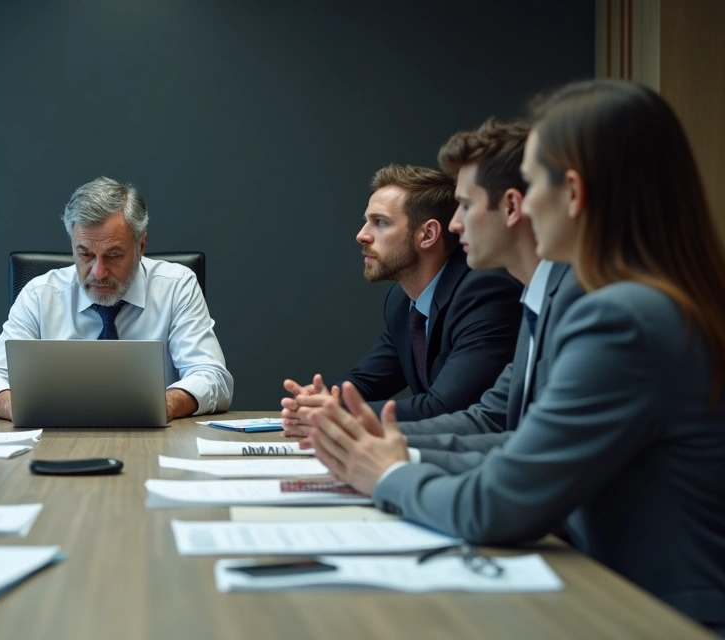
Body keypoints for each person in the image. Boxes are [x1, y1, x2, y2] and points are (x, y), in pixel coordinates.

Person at [302, 80, 725, 632]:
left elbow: (498, 503)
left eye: (533, 178)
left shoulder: (621, 318)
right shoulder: (624, 301)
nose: (520, 204)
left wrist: (388, 474)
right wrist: (387, 449)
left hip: (652, 615)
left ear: (570, 192)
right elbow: (513, 439)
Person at [285, 120, 583, 473]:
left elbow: (456, 412)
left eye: (467, 206)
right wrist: (327, 404)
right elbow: (488, 421)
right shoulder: (403, 301)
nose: (456, 224)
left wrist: (350, 426)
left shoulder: (498, 293)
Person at [0, 176, 233, 421]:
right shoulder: (40, 295)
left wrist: (162, 405)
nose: (98, 272)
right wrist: (27, 408)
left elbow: (213, 379)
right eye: (85, 255)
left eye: (114, 255)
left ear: (140, 246)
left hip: (155, 442)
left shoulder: (177, 286)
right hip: (55, 440)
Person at [282, 164, 522, 428]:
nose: (362, 235)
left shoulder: (485, 294)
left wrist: (336, 415)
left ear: (428, 234)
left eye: (380, 222)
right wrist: (325, 401)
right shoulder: (402, 301)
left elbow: (444, 408)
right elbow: (365, 382)